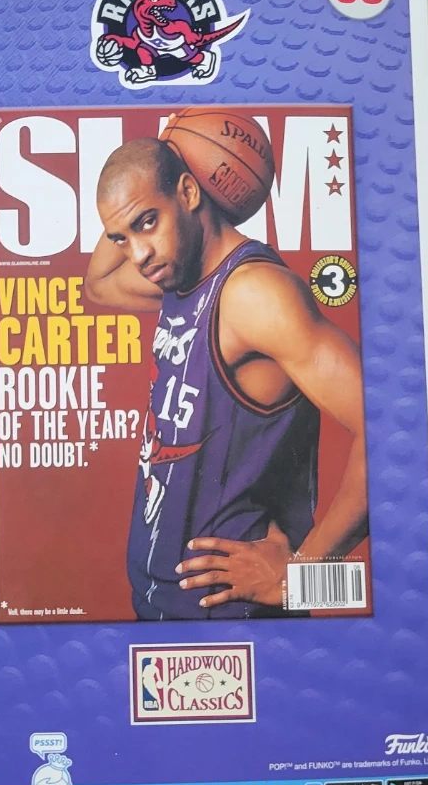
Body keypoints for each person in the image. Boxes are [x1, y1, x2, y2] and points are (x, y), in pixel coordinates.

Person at [85, 137, 367, 620]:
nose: (138, 254)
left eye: (147, 222)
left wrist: (302, 580)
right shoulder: (175, 276)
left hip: (234, 617)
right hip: (161, 605)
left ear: (188, 192)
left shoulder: (254, 294)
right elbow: (98, 285)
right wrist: (162, 152)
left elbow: (393, 428)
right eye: (121, 239)